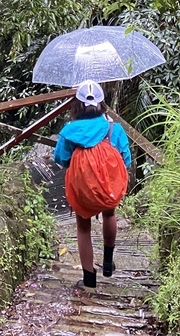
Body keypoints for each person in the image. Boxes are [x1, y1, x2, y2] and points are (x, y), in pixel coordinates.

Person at [53, 80, 132, 288]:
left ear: (76, 105)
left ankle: (89, 278)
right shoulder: (113, 128)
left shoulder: (69, 131)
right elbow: (126, 160)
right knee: (109, 214)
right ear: (102, 103)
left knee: (83, 228)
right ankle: (107, 263)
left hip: (82, 190)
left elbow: (60, 159)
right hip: (108, 189)